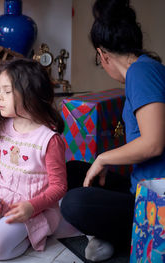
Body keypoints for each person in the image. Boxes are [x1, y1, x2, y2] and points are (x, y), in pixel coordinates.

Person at [60, 0, 165, 262]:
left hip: (155, 203)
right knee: (72, 171)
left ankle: (113, 236)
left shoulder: (141, 73)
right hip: (141, 188)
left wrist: (103, 158)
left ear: (102, 55)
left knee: (75, 204)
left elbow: (153, 143)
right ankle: (107, 233)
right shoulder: (146, 69)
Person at [0, 58, 67, 260]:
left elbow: (59, 186)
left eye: (7, 92)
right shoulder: (2, 129)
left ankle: (31, 236)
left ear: (30, 95)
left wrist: (31, 207)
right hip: (1, 200)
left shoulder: (49, 139)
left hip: (31, 208)